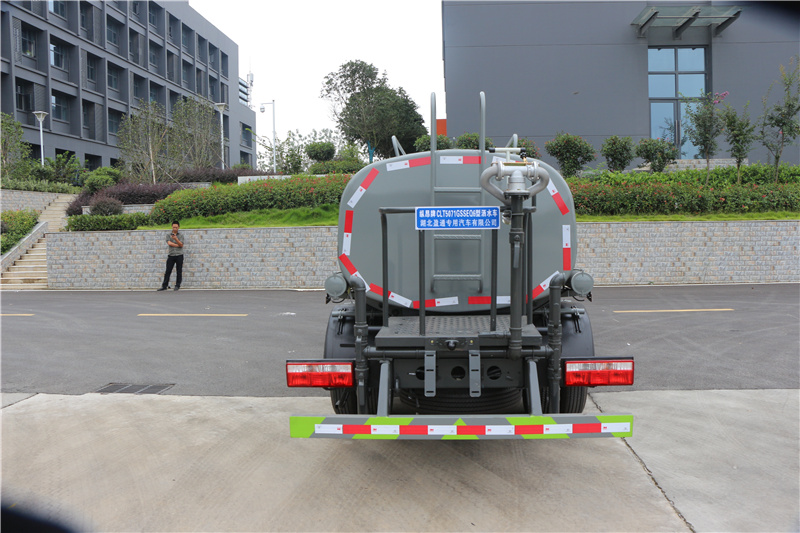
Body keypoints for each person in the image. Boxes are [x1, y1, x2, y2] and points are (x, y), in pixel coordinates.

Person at [157, 221, 184, 291]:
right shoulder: (168, 235)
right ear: (172, 226)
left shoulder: (181, 235)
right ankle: (164, 285)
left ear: (178, 227)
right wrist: (177, 245)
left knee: (179, 271)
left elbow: (181, 245)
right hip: (171, 255)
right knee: (168, 271)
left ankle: (177, 285)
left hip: (179, 255)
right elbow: (169, 243)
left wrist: (176, 239)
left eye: (176, 227)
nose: (175, 229)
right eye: (174, 227)